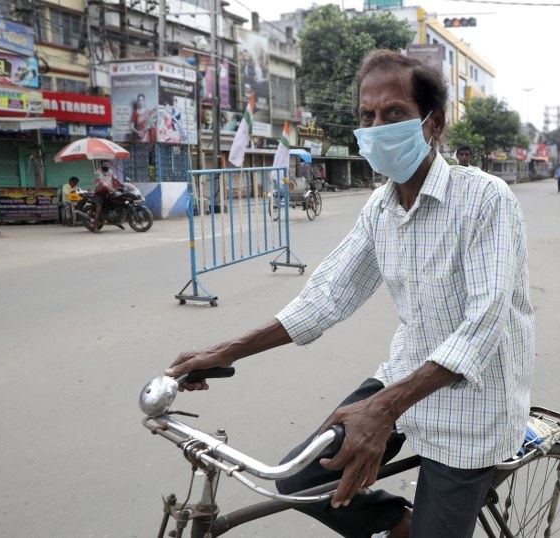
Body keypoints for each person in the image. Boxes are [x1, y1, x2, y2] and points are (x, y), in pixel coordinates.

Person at [163, 49, 534, 538]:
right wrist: (225, 351)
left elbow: (484, 325)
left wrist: (382, 409)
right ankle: (399, 524)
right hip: (404, 375)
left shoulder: (486, 199)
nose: (377, 127)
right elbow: (327, 295)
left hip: (474, 401)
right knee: (296, 479)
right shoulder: (381, 208)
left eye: (394, 114)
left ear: (433, 123)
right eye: (367, 116)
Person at [93, 160, 122, 233]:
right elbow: (102, 182)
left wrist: (122, 185)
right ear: (101, 165)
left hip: (110, 192)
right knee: (99, 209)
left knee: (118, 203)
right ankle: (95, 227)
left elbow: (115, 179)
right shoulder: (98, 172)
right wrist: (110, 188)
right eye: (104, 164)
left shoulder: (111, 171)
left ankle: (116, 221)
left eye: (107, 164)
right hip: (100, 192)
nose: (106, 165)